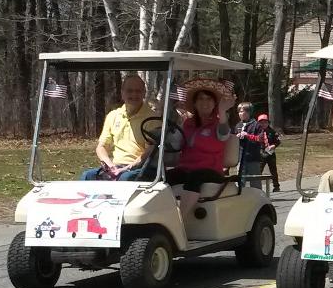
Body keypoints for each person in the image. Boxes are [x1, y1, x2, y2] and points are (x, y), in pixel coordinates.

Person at [166, 78, 235, 217]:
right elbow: (177, 143)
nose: (205, 102)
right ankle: (160, 218)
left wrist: (222, 111)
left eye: (209, 99)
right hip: (187, 168)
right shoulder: (188, 124)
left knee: (195, 177)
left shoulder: (218, 124)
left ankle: (179, 220)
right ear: (195, 103)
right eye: (201, 99)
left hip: (211, 170)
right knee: (164, 178)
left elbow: (224, 134)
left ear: (215, 103)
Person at [80, 75, 156, 181]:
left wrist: (126, 168)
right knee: (87, 176)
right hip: (117, 167)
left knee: (125, 178)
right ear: (122, 93)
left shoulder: (152, 119)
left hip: (142, 168)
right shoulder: (113, 115)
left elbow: (149, 153)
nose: (134, 94)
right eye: (130, 91)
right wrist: (110, 166)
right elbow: (101, 147)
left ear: (144, 93)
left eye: (138, 91)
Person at [234, 102, 264, 187]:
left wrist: (247, 135)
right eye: (239, 111)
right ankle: (240, 197)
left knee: (255, 181)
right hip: (241, 158)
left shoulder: (256, 125)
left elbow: (260, 139)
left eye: (243, 111)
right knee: (240, 181)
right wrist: (236, 137)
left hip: (253, 157)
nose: (241, 113)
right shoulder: (238, 125)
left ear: (249, 112)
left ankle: (257, 198)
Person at [256, 114, 281, 193]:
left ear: (268, 123)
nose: (263, 124)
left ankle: (276, 186)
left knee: (273, 170)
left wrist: (274, 145)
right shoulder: (257, 132)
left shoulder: (272, 132)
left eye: (265, 122)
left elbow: (278, 141)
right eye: (261, 122)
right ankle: (257, 187)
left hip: (270, 153)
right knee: (258, 170)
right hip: (261, 153)